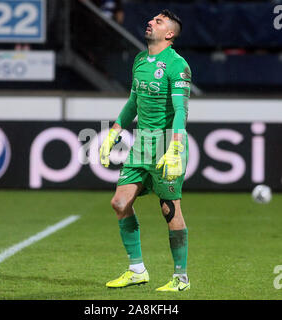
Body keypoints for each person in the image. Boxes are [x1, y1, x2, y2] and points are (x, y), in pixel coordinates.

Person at [99, 9, 191, 292]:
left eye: (159, 21)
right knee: (119, 203)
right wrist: (114, 131)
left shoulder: (178, 66)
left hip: (167, 143)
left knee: (169, 209)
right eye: (152, 19)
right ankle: (137, 270)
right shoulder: (140, 60)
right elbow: (133, 102)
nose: (151, 22)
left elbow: (180, 110)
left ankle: (181, 278)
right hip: (142, 144)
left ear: (169, 34)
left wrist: (175, 147)